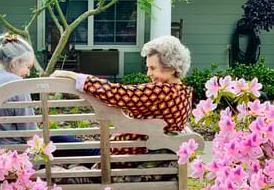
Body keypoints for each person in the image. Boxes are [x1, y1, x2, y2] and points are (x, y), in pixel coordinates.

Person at [0, 32, 99, 157]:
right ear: (15, 62)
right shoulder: (15, 84)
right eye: (28, 67)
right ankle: (100, 155)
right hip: (14, 160)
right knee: (61, 140)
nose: (28, 72)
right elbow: (30, 135)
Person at [52, 35, 192, 155]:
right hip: (128, 153)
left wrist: (72, 75)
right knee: (63, 142)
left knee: (52, 139)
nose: (148, 74)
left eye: (153, 68)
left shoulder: (164, 91)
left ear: (172, 68)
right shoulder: (183, 93)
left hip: (118, 156)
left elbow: (117, 93)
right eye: (148, 68)